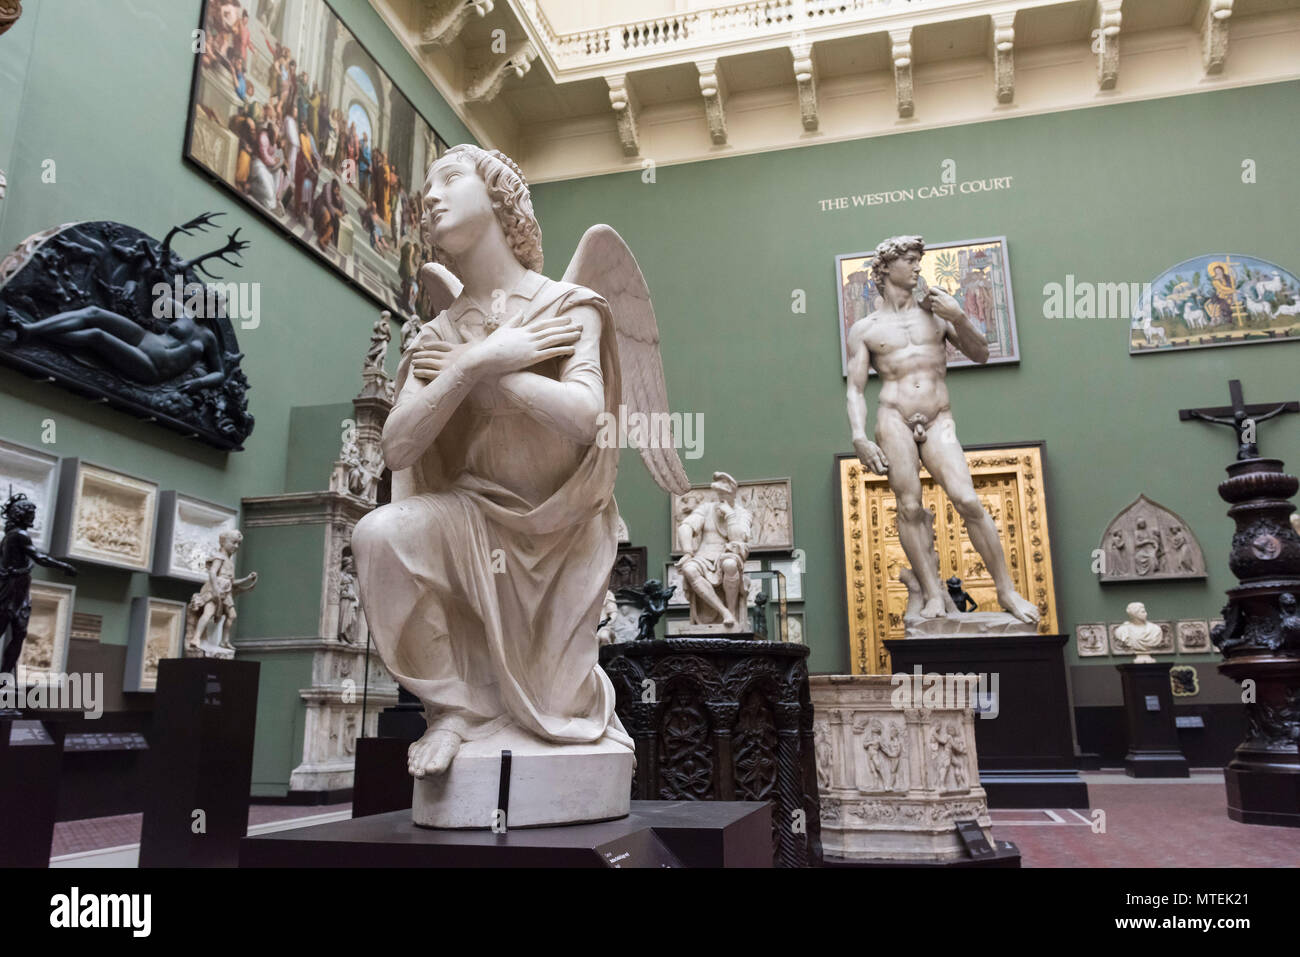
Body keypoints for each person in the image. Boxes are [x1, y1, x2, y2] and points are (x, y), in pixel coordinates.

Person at [351, 145, 632, 778]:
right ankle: (456, 711)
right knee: (379, 535)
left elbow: (586, 416)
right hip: (470, 521)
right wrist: (477, 359)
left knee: (563, 710)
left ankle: (542, 698)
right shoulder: (437, 333)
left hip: (559, 533)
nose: (431, 196)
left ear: (501, 196)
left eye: (450, 178)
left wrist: (489, 374)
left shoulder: (568, 304)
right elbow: (398, 447)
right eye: (426, 187)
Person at [845, 235, 1039, 623]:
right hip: (894, 416)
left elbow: (981, 354)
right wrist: (859, 437)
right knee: (910, 505)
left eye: (919, 260)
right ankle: (933, 594)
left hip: (938, 418)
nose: (919, 267)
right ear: (887, 268)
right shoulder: (865, 328)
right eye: (912, 260)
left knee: (967, 499)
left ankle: (1006, 591)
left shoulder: (937, 313)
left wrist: (960, 317)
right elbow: (854, 389)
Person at [0, 493, 76, 679]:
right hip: (13, 588)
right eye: (30, 513)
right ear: (20, 515)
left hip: (19, 588)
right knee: (12, 631)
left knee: (19, 632)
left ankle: (4, 678)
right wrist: (64, 566)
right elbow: (39, 558)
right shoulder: (19, 535)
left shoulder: (10, 536)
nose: (33, 517)